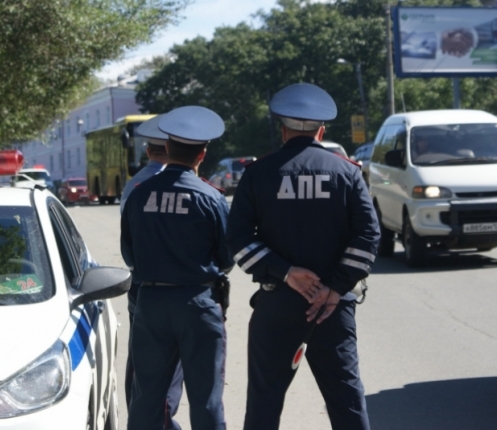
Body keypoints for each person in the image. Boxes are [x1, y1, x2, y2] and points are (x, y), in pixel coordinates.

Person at [226, 83, 380, 430]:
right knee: (346, 400)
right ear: (321, 131)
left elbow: (238, 241)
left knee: (264, 402)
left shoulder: (258, 173)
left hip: (277, 303)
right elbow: (368, 236)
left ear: (283, 131)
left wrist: (285, 272)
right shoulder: (347, 172)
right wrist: (334, 287)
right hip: (331, 308)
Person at [121, 105, 234, 430]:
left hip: (151, 303)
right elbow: (227, 257)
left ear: (167, 148)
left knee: (146, 398)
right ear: (202, 154)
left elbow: (129, 253)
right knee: (206, 400)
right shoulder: (210, 197)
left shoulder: (139, 195)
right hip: (198, 304)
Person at [119, 115, 184, 430]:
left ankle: (142, 418)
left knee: (141, 358)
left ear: (148, 151)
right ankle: (163, 423)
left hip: (143, 284)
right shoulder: (188, 184)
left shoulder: (134, 185)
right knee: (174, 363)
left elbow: (128, 243)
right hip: (183, 286)